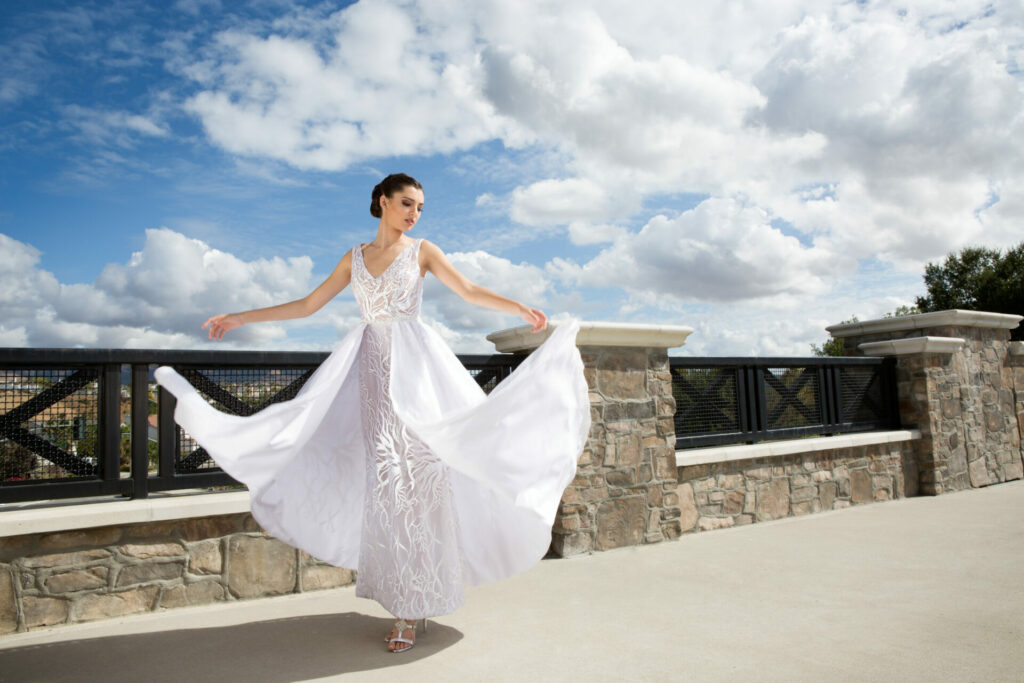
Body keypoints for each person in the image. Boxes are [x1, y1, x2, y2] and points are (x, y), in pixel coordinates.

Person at [154, 173, 591, 654]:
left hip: (418, 371)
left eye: (421, 207)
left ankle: (414, 603)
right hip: (371, 375)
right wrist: (241, 317)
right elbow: (307, 305)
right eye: (407, 203)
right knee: (388, 485)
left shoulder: (422, 250)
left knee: (421, 480)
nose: (414, 213)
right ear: (383, 202)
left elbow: (466, 289)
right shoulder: (354, 257)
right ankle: (405, 595)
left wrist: (517, 306)